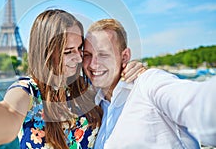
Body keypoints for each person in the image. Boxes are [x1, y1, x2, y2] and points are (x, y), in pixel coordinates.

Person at [0, 9, 144, 149]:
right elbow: (5, 117)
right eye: (67, 52)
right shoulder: (28, 92)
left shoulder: (86, 87)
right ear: (46, 51)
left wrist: (131, 70)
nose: (77, 58)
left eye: (79, 49)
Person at [82, 18, 216, 148]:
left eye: (103, 54)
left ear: (125, 57)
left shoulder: (148, 83)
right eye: (87, 55)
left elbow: (200, 107)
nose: (93, 64)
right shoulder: (97, 105)